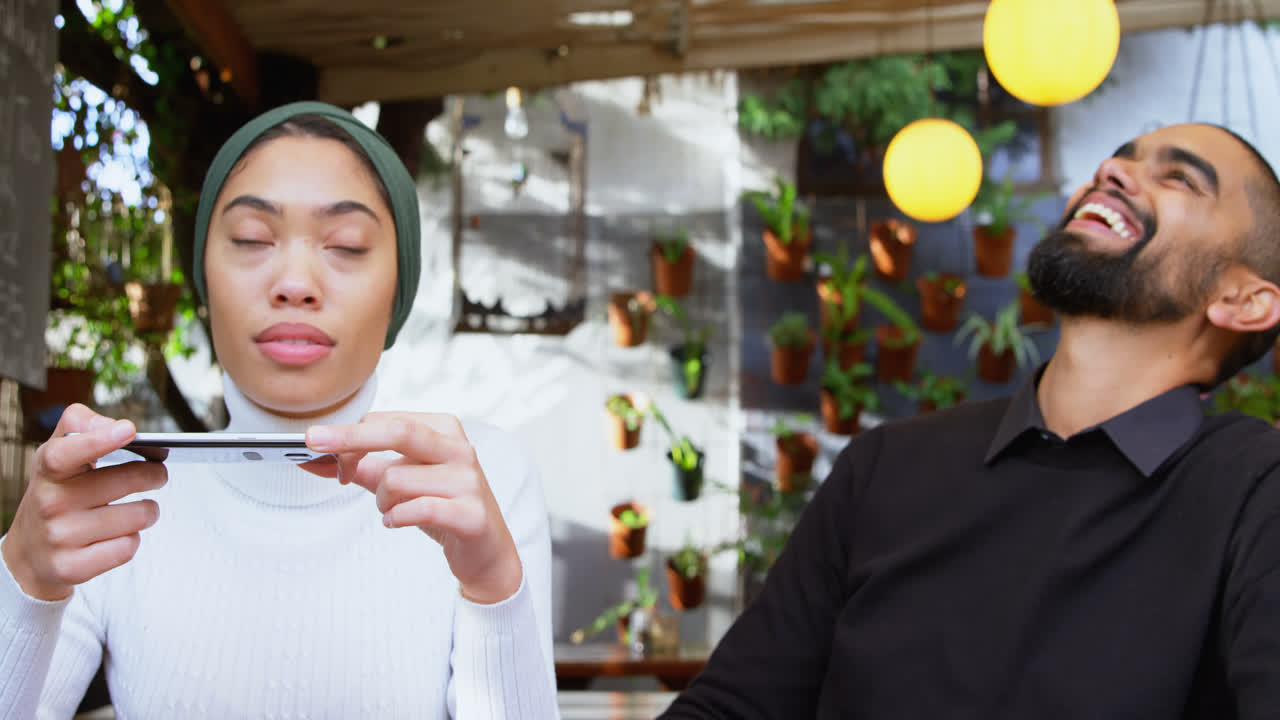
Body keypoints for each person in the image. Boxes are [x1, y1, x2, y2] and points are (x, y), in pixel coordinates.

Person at [661, 123, 1280, 719]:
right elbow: (735, 706)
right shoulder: (886, 468)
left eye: (1179, 178)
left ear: (1243, 301)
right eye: (1120, 157)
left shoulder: (1255, 493)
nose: (1110, 170)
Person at [0, 102, 559, 719]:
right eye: (251, 239)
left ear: (400, 286)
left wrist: (494, 589)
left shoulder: (483, 479)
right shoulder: (111, 496)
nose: (295, 281)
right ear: (203, 279)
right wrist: (23, 576)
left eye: (346, 245)